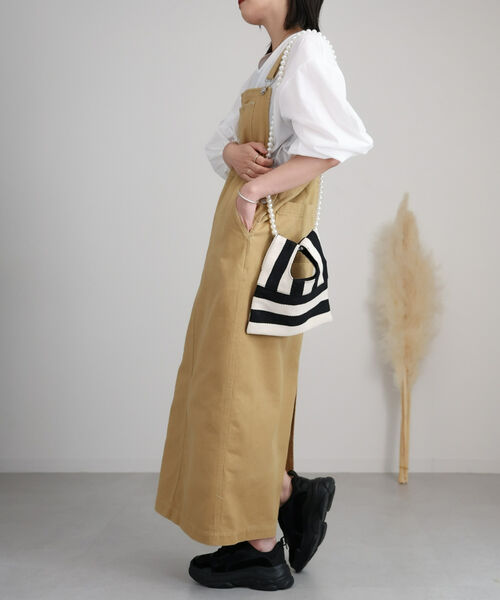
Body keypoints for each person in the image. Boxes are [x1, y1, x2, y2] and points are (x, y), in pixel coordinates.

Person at [155, 0, 374, 591]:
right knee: (227, 382)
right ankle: (283, 492)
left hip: (259, 245)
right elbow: (221, 143)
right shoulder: (274, 60)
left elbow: (336, 143)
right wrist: (233, 155)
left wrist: (256, 190)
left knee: (242, 387)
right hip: (236, 244)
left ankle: (261, 545)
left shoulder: (308, 50)